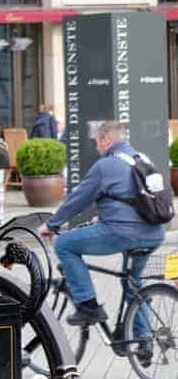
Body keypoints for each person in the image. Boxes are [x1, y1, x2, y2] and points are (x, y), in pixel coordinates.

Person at [38, 121, 167, 331]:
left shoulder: (106, 165)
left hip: (123, 233)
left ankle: (88, 306)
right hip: (155, 232)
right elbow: (137, 197)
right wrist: (106, 215)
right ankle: (143, 341)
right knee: (133, 283)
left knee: (64, 244)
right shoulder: (142, 158)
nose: (97, 147)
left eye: (97, 141)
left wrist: (52, 225)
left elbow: (77, 200)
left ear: (106, 139)